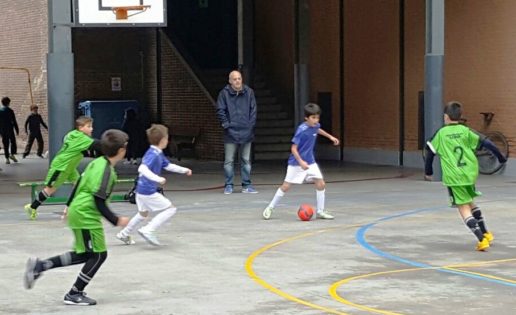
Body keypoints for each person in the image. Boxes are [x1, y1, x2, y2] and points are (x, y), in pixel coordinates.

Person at [23, 129, 130, 306]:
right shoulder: (105, 171)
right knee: (98, 255)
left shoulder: (97, 163)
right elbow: (99, 201)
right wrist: (116, 220)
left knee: (85, 254)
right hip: (86, 215)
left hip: (78, 211)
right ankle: (75, 293)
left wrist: (69, 205)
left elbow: (79, 183)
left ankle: (40, 266)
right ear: (121, 151)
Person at [424, 101, 507, 251]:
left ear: (445, 117)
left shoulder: (441, 134)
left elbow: (429, 152)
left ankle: (481, 239)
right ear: (460, 116)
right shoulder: (466, 131)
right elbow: (487, 143)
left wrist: (428, 171)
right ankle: (486, 233)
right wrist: (500, 157)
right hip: (469, 173)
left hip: (454, 177)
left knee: (462, 206)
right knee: (469, 202)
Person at [116, 124, 192, 246]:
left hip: (140, 190)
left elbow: (168, 166)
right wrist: (158, 178)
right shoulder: (153, 154)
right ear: (162, 140)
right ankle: (149, 229)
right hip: (148, 190)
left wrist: (184, 170)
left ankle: (124, 234)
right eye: (167, 138)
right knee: (171, 209)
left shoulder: (156, 153)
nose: (168, 140)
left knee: (142, 214)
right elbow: (142, 168)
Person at [262, 103, 340, 220]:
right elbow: (293, 148)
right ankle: (270, 207)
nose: (316, 120)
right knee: (286, 186)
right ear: (306, 118)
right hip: (296, 163)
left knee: (321, 183)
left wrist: (330, 137)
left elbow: (318, 129)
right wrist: (301, 162)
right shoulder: (301, 130)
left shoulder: (315, 125)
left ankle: (320, 211)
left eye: (317, 117)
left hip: (310, 162)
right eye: (313, 118)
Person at [24, 116, 100, 220]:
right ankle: (32, 207)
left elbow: (82, 150)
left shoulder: (72, 134)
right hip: (61, 167)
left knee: (79, 186)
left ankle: (71, 210)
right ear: (81, 128)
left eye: (92, 126)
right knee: (49, 190)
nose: (92, 128)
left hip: (70, 167)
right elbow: (97, 144)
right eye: (89, 126)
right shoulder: (82, 138)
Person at [215, 70, 258, 194]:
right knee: (229, 161)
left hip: (246, 130)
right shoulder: (224, 94)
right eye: (234, 79)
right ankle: (229, 185)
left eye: (239, 78)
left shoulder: (249, 92)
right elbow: (220, 110)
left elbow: (253, 110)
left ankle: (247, 185)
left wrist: (251, 125)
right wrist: (226, 125)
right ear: (230, 81)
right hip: (230, 132)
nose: (237, 81)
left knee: (246, 160)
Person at [0, 96, 20, 164]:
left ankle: (7, 159)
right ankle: (12, 154)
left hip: (2, 130)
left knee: (5, 144)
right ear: (8, 103)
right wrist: (17, 129)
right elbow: (14, 121)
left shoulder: (0, 111)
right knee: (13, 142)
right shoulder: (10, 111)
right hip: (10, 129)